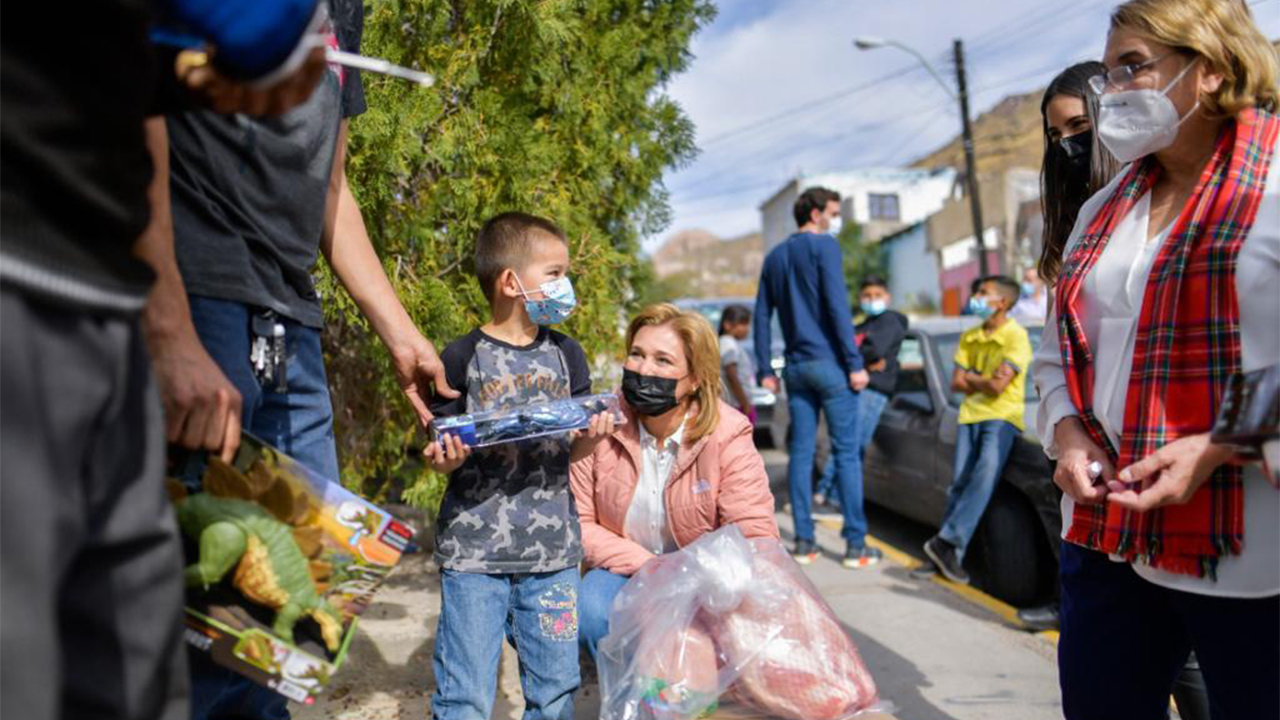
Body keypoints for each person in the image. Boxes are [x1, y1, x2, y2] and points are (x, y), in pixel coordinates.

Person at [0, 3, 326, 719]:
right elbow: (256, 25)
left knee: (174, 668)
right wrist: (173, 328)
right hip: (38, 292)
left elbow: (119, 61)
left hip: (110, 298)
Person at [142, 3, 456, 717]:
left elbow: (330, 189)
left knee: (284, 644)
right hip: (197, 301)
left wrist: (401, 333)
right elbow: (131, 109)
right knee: (192, 644)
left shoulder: (347, 10)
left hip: (291, 326)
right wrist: (166, 327)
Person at [1032, 1, 1279, 717]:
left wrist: (1219, 443)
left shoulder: (1272, 182)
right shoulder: (1103, 208)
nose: (1116, 90)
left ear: (1209, 69)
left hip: (1247, 551)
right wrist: (1069, 433)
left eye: (1134, 66)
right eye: (1110, 72)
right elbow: (1058, 353)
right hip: (1107, 539)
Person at [425, 212, 614, 720]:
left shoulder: (566, 355)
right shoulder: (462, 357)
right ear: (511, 282)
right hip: (473, 556)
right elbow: (440, 453)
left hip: (552, 559)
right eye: (554, 273)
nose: (565, 285)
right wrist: (447, 459)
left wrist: (590, 442)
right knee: (464, 694)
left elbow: (567, 451)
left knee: (555, 691)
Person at [571, 303, 780, 661]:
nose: (644, 369)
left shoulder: (727, 434)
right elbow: (578, 522)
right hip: (625, 568)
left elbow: (754, 530)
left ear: (695, 379)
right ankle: (625, 692)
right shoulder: (600, 425)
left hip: (702, 577)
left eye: (663, 361)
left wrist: (698, 577)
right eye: (636, 355)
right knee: (590, 611)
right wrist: (647, 565)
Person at [754, 187, 881, 569]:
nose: (834, 219)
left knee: (802, 453)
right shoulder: (824, 246)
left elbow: (761, 315)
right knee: (846, 454)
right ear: (814, 214)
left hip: (796, 368)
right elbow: (836, 305)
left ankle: (804, 543)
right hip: (830, 365)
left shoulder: (775, 257)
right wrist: (854, 361)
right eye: (832, 212)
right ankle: (856, 545)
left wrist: (764, 369)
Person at [921, 275, 1032, 584]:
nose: (976, 297)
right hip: (970, 415)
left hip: (1001, 417)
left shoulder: (1016, 336)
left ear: (1004, 302)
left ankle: (947, 542)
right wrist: (981, 379)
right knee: (959, 484)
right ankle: (944, 555)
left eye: (984, 293)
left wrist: (974, 378)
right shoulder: (970, 336)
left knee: (984, 477)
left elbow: (999, 387)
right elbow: (955, 382)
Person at [813, 276, 909, 542]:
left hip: (874, 390)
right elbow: (850, 349)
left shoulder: (891, 320)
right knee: (848, 445)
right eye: (867, 294)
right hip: (857, 386)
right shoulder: (864, 323)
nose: (872, 299)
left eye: (877, 294)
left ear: (887, 296)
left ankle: (828, 495)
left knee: (852, 446)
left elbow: (872, 348)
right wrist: (864, 357)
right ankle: (827, 495)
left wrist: (861, 355)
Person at [718, 304, 756, 423]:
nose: (747, 328)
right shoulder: (728, 344)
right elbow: (731, 374)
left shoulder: (728, 343)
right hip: (735, 405)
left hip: (736, 404)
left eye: (747, 324)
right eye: (743, 324)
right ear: (728, 325)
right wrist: (744, 402)